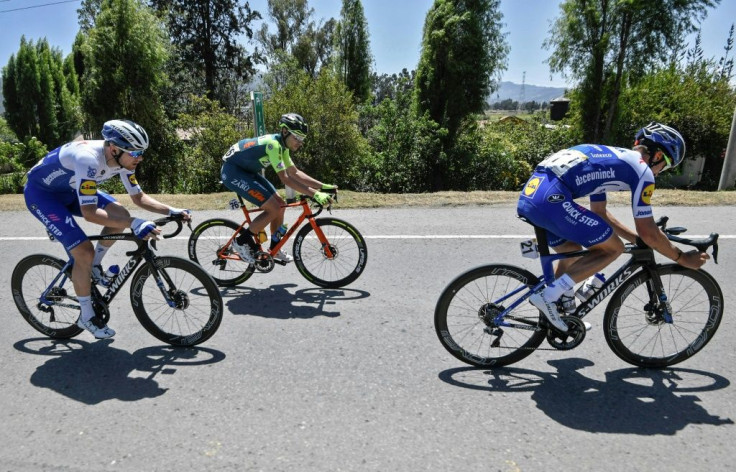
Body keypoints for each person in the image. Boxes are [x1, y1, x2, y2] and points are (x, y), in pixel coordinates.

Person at [517, 122, 710, 333]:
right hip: (550, 199)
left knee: (569, 251)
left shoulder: (610, 157)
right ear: (657, 156)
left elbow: (599, 211)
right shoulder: (642, 171)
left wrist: (637, 239)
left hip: (532, 196)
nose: (661, 172)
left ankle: (556, 311)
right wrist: (682, 257)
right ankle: (548, 297)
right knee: (613, 248)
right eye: (665, 165)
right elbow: (648, 230)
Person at [24, 119, 191, 339]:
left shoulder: (123, 160)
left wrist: (171, 211)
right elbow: (90, 213)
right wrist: (135, 223)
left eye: (142, 152)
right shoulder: (88, 159)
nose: (140, 157)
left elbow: (139, 198)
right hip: (43, 196)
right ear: (114, 149)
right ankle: (86, 316)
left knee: (120, 214)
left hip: (71, 189)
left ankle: (93, 267)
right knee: (84, 250)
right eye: (136, 152)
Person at [220, 113, 336, 263]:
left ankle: (275, 248)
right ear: (285, 131)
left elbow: (295, 173)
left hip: (246, 172)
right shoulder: (274, 145)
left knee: (280, 205)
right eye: (297, 137)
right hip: (232, 172)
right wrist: (315, 194)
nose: (300, 142)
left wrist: (324, 187)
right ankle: (241, 242)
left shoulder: (283, 146)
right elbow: (285, 178)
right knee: (273, 208)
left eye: (302, 139)